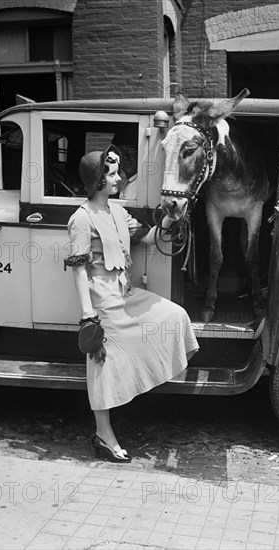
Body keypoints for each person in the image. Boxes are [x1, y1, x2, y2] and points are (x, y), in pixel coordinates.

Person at [65, 145, 199, 463]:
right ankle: (103, 434)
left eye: (117, 172)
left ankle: (143, 387)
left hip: (126, 294)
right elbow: (79, 268)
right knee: (102, 365)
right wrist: (87, 316)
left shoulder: (117, 212)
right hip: (103, 305)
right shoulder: (81, 219)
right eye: (111, 173)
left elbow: (149, 237)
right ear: (97, 180)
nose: (118, 178)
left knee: (175, 315)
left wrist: (170, 217)